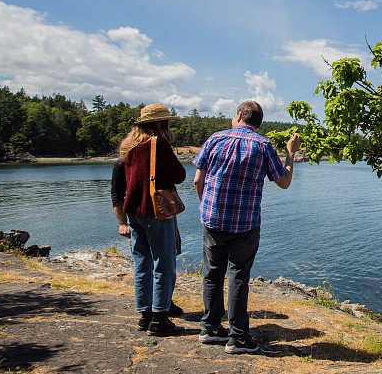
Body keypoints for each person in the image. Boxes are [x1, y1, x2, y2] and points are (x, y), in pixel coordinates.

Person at [193, 100, 300, 354]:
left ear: (239, 115)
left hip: (213, 220)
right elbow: (283, 182)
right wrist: (291, 153)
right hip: (245, 224)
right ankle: (238, 338)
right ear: (258, 121)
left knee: (213, 274)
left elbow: (198, 180)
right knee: (238, 277)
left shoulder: (215, 140)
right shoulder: (263, 146)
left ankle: (210, 328)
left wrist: (209, 208)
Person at [118, 103, 186, 337]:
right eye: (166, 122)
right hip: (155, 211)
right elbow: (179, 175)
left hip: (134, 212)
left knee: (142, 262)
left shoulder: (130, 147)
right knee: (163, 262)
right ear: (159, 124)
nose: (168, 126)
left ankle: (144, 315)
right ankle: (160, 318)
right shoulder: (159, 144)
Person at [111, 159, 184, 318]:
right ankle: (158, 311)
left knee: (149, 262)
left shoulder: (142, 158)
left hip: (142, 215)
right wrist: (122, 223)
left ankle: (156, 306)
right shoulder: (124, 162)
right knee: (163, 262)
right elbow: (116, 193)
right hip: (155, 215)